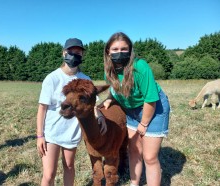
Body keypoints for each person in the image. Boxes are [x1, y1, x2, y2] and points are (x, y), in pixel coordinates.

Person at [102, 32, 170, 186]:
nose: (119, 53)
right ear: (108, 51)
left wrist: (144, 123)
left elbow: (151, 98)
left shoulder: (140, 67)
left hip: (153, 108)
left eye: (124, 49)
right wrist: (109, 99)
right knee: (134, 151)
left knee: (149, 156)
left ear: (130, 50)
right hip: (131, 111)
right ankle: (134, 183)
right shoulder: (109, 69)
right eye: (115, 49)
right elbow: (114, 88)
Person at [36, 38, 106, 186]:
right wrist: (40, 135)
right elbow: (42, 108)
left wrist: (100, 116)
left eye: (78, 52)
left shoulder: (85, 80)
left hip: (72, 132)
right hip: (52, 132)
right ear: (64, 53)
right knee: (49, 174)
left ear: (82, 55)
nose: (74, 55)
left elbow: (93, 104)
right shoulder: (52, 78)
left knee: (69, 166)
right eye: (70, 52)